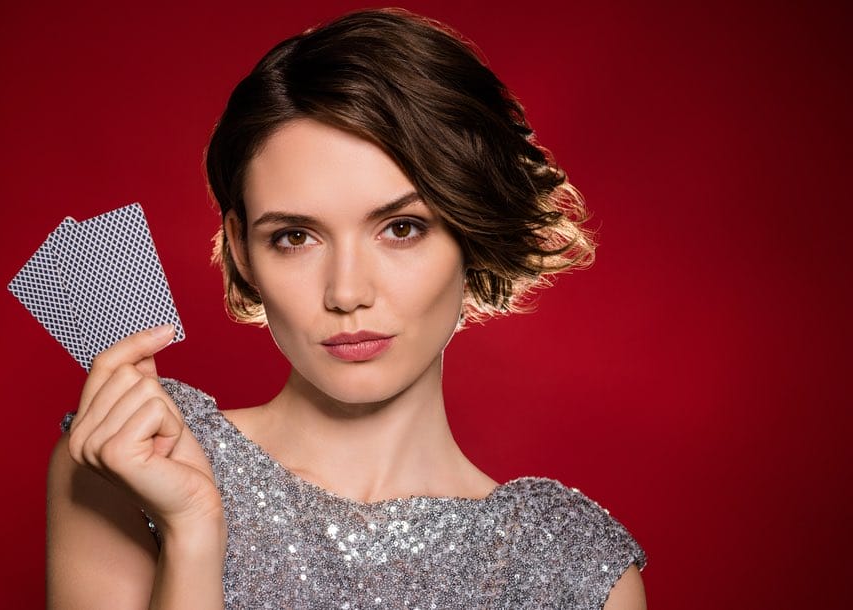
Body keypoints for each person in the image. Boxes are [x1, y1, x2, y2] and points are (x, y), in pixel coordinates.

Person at [46, 7, 647, 609]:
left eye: (401, 228)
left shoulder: (572, 570)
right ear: (242, 249)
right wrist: (193, 532)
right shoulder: (137, 457)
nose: (346, 292)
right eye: (295, 237)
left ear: (472, 230)